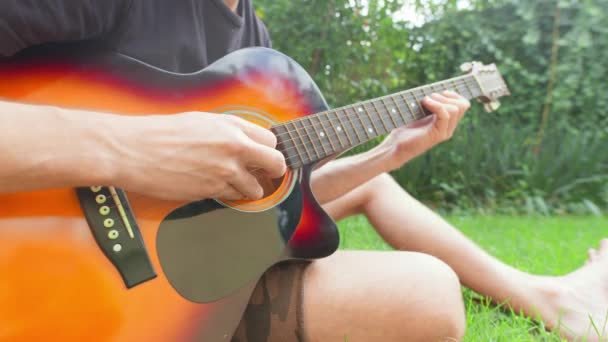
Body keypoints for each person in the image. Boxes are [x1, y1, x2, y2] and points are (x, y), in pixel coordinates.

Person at [0, 1, 606, 341]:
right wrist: (132, 146)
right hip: (38, 254)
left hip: (163, 258)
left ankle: (551, 300)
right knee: (422, 291)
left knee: (420, 282)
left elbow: (268, 204)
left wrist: (387, 154)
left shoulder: (251, 37)